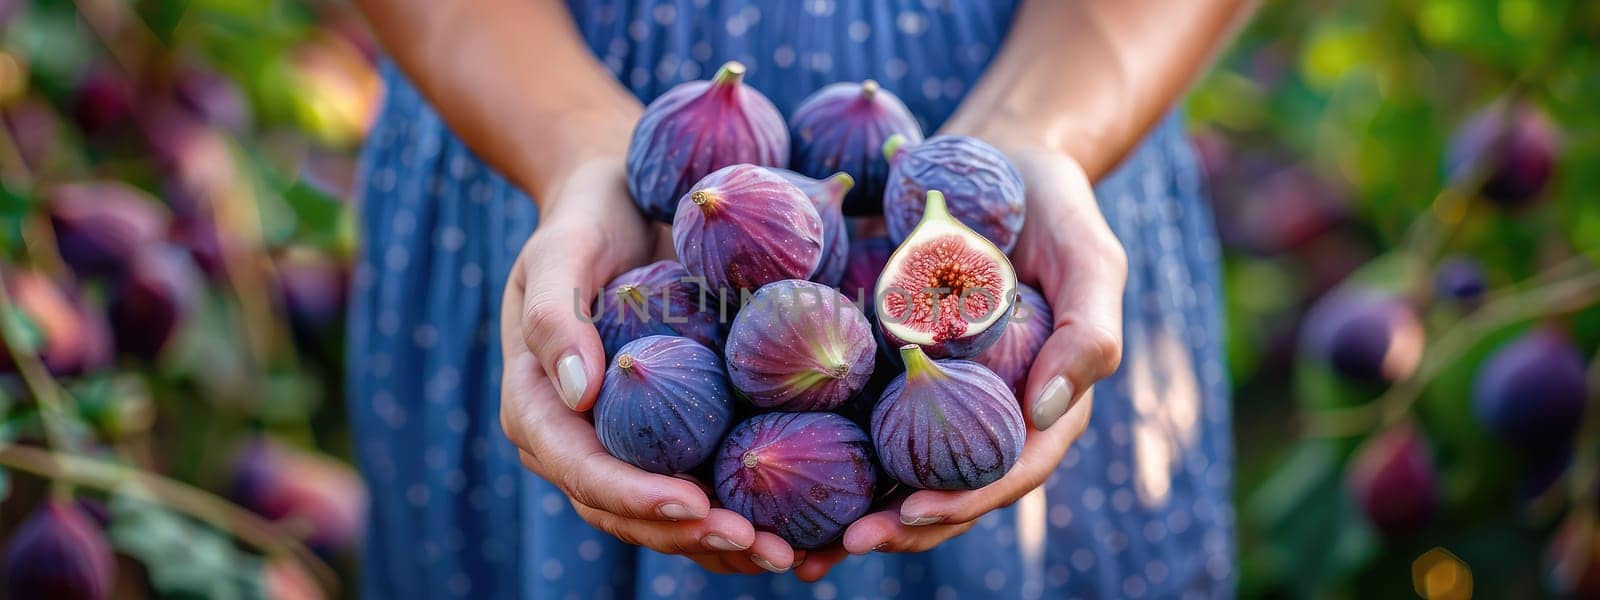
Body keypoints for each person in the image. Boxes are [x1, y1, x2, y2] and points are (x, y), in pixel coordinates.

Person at [347, 0, 1254, 597]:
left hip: (1061, 99)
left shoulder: (946, 251)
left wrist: (1039, 134)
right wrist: (583, 155)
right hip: (525, 122)